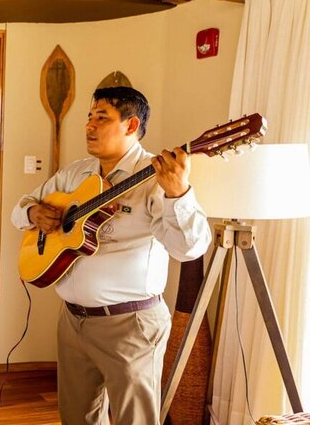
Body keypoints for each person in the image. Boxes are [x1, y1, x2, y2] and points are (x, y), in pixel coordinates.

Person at [11, 86, 212, 424]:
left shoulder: (157, 178)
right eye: (89, 117)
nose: (89, 125)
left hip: (131, 326)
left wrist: (179, 194)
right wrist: (34, 213)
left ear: (131, 125)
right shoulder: (75, 173)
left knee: (135, 419)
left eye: (101, 118)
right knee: (76, 417)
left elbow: (188, 248)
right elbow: (19, 211)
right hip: (72, 320)